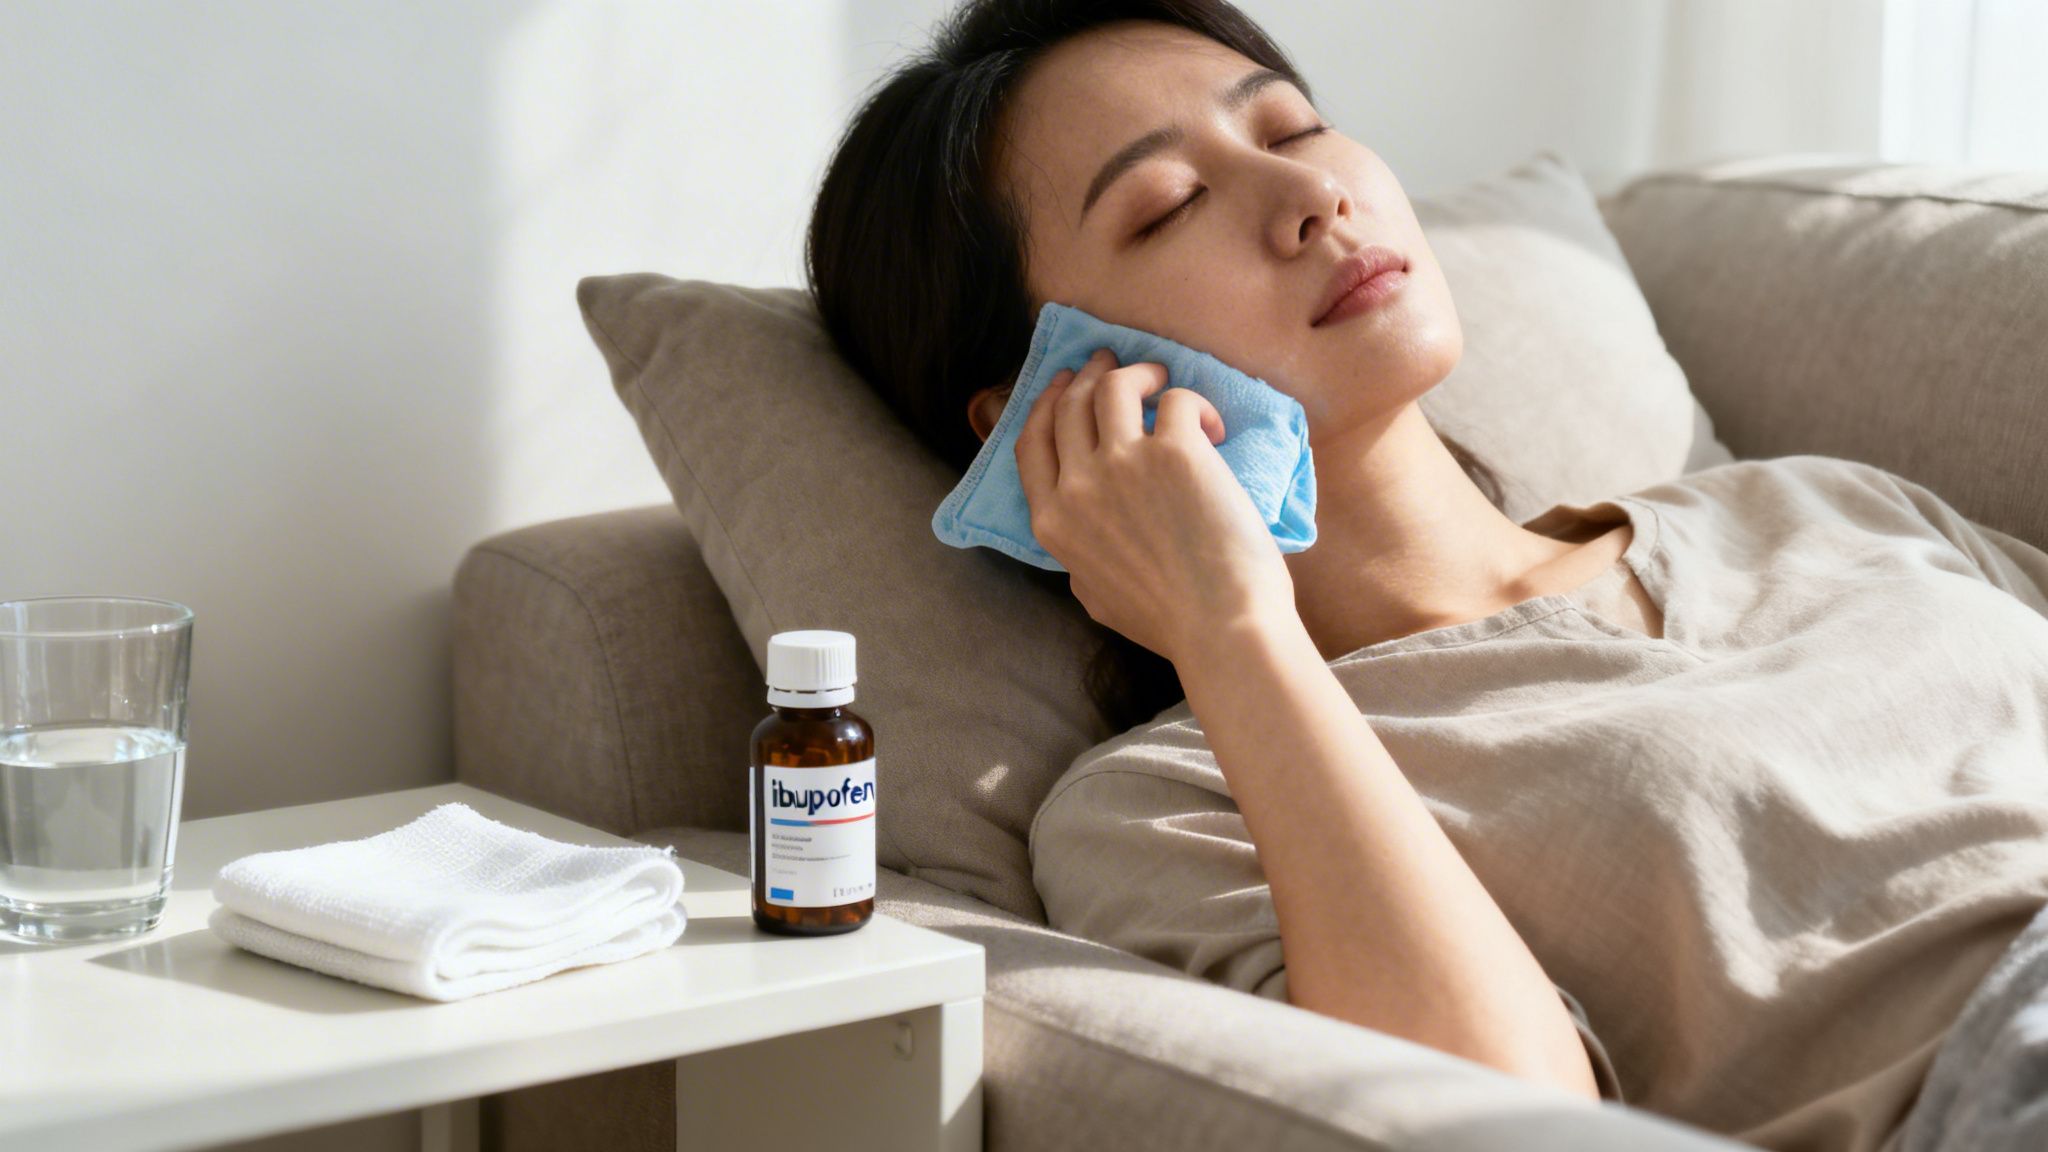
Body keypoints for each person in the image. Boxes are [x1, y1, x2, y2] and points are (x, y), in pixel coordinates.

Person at [804, 2, 2048, 1150]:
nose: (1307, 196)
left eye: (1295, 126)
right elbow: (1498, 1118)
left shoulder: (1813, 502)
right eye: (1168, 204)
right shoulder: (1173, 803)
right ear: (1040, 409)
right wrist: (1232, 627)